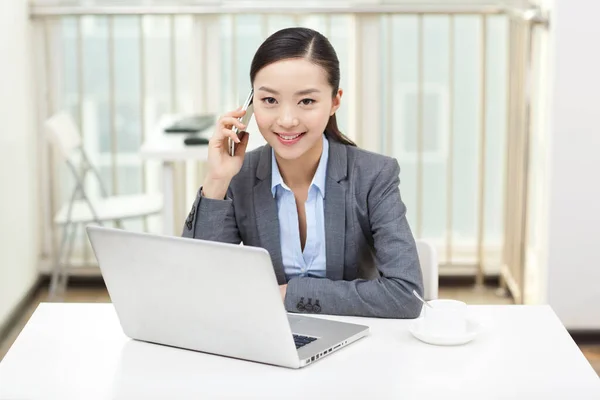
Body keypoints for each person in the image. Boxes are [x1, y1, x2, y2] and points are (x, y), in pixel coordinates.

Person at [182, 27, 423, 318]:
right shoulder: (239, 176)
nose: (286, 120)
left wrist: (288, 294)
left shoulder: (373, 176)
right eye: (269, 100)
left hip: (359, 343)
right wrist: (217, 179)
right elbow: (199, 285)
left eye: (306, 101)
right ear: (249, 105)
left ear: (335, 101)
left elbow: (405, 295)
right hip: (269, 340)